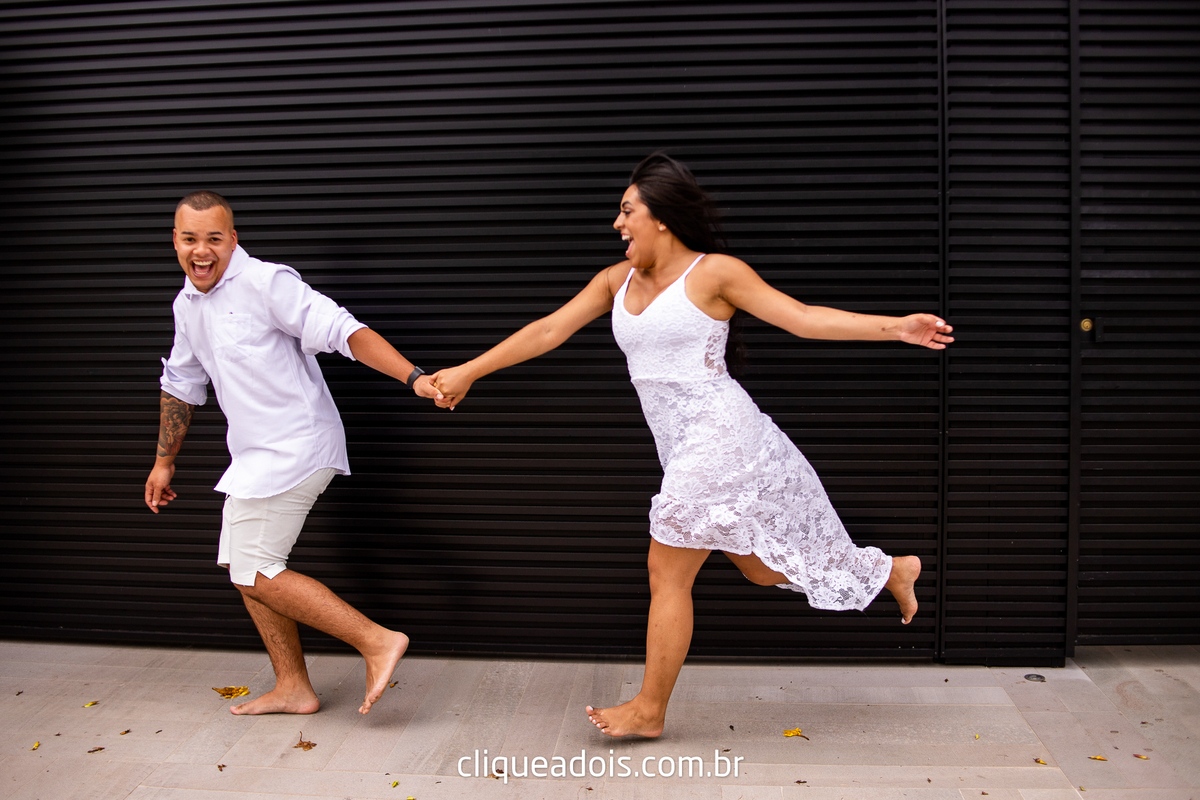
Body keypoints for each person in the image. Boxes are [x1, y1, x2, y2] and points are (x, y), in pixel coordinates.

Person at [428, 153, 953, 738]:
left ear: (662, 217)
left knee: (667, 571)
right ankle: (886, 572)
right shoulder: (614, 280)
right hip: (679, 446)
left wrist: (896, 326)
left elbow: (802, 318)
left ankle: (649, 711)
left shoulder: (714, 273)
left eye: (627, 210)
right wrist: (471, 369)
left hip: (721, 434)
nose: (617, 223)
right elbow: (548, 329)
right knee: (758, 570)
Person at [144, 191, 443, 716]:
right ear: (175, 241)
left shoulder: (266, 282)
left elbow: (342, 329)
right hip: (253, 455)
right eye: (190, 239)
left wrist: (413, 378)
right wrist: (164, 461)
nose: (201, 250)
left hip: (297, 444)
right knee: (244, 564)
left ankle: (376, 640)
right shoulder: (186, 305)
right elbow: (183, 383)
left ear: (233, 240)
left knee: (254, 567)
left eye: (214, 238)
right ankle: (293, 687)